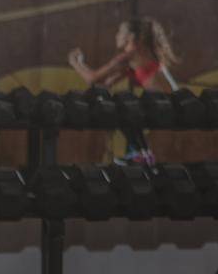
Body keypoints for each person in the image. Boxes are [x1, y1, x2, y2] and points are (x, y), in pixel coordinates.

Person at [68, 17, 180, 166]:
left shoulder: (131, 55)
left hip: (165, 106)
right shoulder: (141, 56)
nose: (116, 36)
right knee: (123, 106)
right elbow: (105, 83)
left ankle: (140, 153)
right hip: (173, 105)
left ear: (131, 37)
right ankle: (144, 154)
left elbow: (92, 79)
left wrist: (76, 63)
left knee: (123, 106)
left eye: (120, 32)